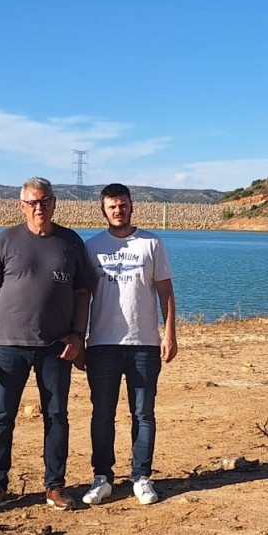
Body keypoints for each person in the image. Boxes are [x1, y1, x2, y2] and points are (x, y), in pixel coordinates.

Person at [0, 176, 97, 512]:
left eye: (44, 201)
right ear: (22, 206)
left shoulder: (70, 242)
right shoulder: (6, 240)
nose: (39, 207)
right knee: (2, 416)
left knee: (57, 416)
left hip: (56, 346)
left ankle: (54, 485)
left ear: (54, 203)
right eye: (32, 202)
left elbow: (83, 293)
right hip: (8, 345)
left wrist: (78, 335)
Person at [81, 183, 177, 506]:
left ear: (131, 206)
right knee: (102, 414)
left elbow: (165, 292)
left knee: (143, 413)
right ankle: (102, 478)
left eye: (122, 205)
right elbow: (83, 297)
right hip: (102, 345)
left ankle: (142, 477)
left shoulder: (152, 243)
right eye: (111, 206)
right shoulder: (92, 247)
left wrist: (170, 334)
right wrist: (80, 338)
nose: (118, 210)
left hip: (144, 344)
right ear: (103, 210)